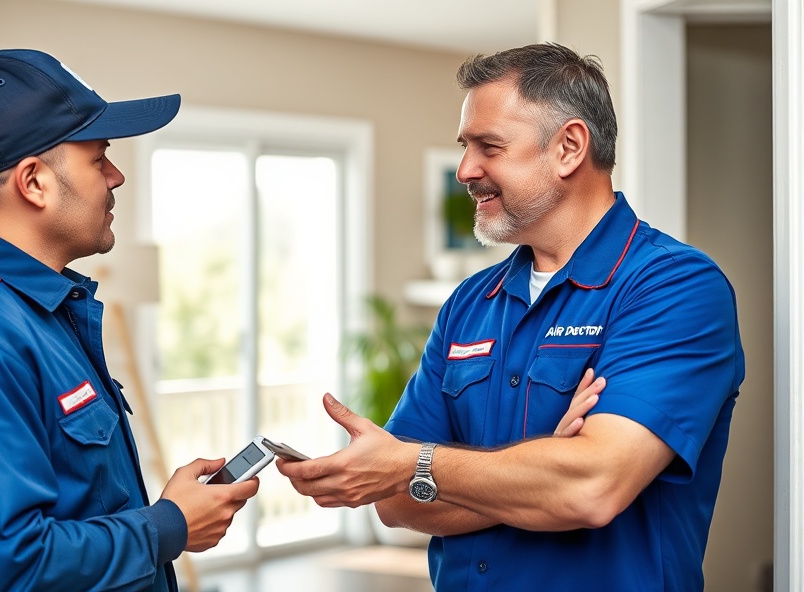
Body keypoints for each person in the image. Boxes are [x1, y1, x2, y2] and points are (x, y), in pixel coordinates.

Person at [278, 42, 744, 591]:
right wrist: (544, 467)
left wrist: (417, 464)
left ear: (569, 147)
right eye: (465, 147)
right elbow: (397, 504)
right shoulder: (470, 302)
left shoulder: (675, 288)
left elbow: (591, 489)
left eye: (489, 146)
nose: (465, 170)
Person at [0, 49, 258, 591]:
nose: (116, 177)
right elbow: (6, 571)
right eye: (99, 159)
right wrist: (166, 526)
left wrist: (170, 518)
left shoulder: (31, 314)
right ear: (34, 182)